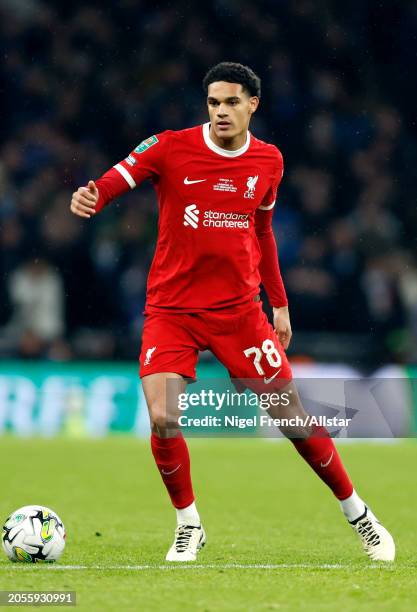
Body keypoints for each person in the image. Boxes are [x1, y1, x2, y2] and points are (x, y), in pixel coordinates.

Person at [70, 62, 395, 563]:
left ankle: (360, 515)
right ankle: (188, 525)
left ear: (252, 105)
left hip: (239, 312)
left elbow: (262, 234)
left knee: (293, 418)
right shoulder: (169, 146)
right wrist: (93, 194)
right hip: (171, 308)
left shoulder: (268, 161)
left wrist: (280, 303)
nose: (221, 111)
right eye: (214, 103)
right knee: (162, 416)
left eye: (231, 102)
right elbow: (119, 177)